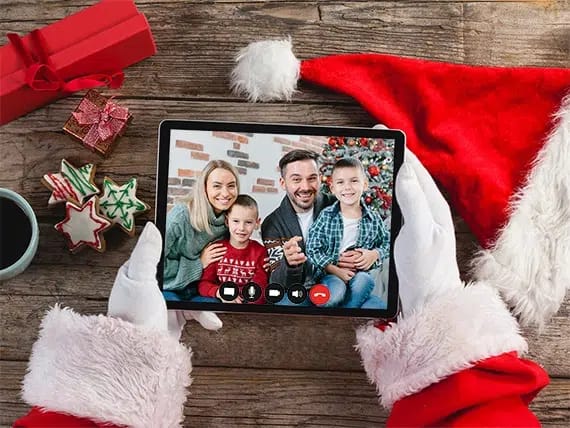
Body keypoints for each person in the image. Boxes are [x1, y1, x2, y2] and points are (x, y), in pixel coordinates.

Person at [13, 151, 549, 427]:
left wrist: (375, 266)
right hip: (304, 291)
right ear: (285, 182)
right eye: (298, 179)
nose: (309, 186)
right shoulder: (268, 223)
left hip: (360, 287)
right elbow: (280, 273)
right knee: (342, 294)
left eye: (316, 178)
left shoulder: (345, 212)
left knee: (364, 293)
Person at [306, 158, 389, 308]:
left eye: (354, 181)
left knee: (366, 282)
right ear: (332, 188)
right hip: (331, 274)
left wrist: (374, 254)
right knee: (335, 294)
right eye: (340, 182)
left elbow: (387, 243)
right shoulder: (326, 216)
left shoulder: (373, 218)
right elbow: (312, 249)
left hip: (359, 275)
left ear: (364, 184)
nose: (347, 187)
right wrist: (334, 269)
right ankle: (345, 309)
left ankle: (346, 312)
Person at [261, 149, 334, 305]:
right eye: (296, 179)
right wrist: (288, 262)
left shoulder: (336, 205)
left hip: (333, 283)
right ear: (283, 183)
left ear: (320, 179)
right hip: (297, 291)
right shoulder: (271, 224)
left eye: (312, 178)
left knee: (376, 305)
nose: (305, 187)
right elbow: (276, 283)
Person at [162, 159, 239, 299]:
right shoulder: (180, 217)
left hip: (203, 287)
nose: (226, 193)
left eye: (231, 186)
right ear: (204, 188)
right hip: (170, 287)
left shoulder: (232, 220)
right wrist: (198, 264)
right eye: (217, 186)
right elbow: (155, 265)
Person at [197, 195, 268, 304]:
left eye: (248, 222)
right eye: (236, 221)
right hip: (220, 300)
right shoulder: (216, 249)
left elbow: (260, 288)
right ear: (227, 221)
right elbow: (204, 284)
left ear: (257, 223)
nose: (241, 228)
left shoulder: (260, 252)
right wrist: (219, 292)